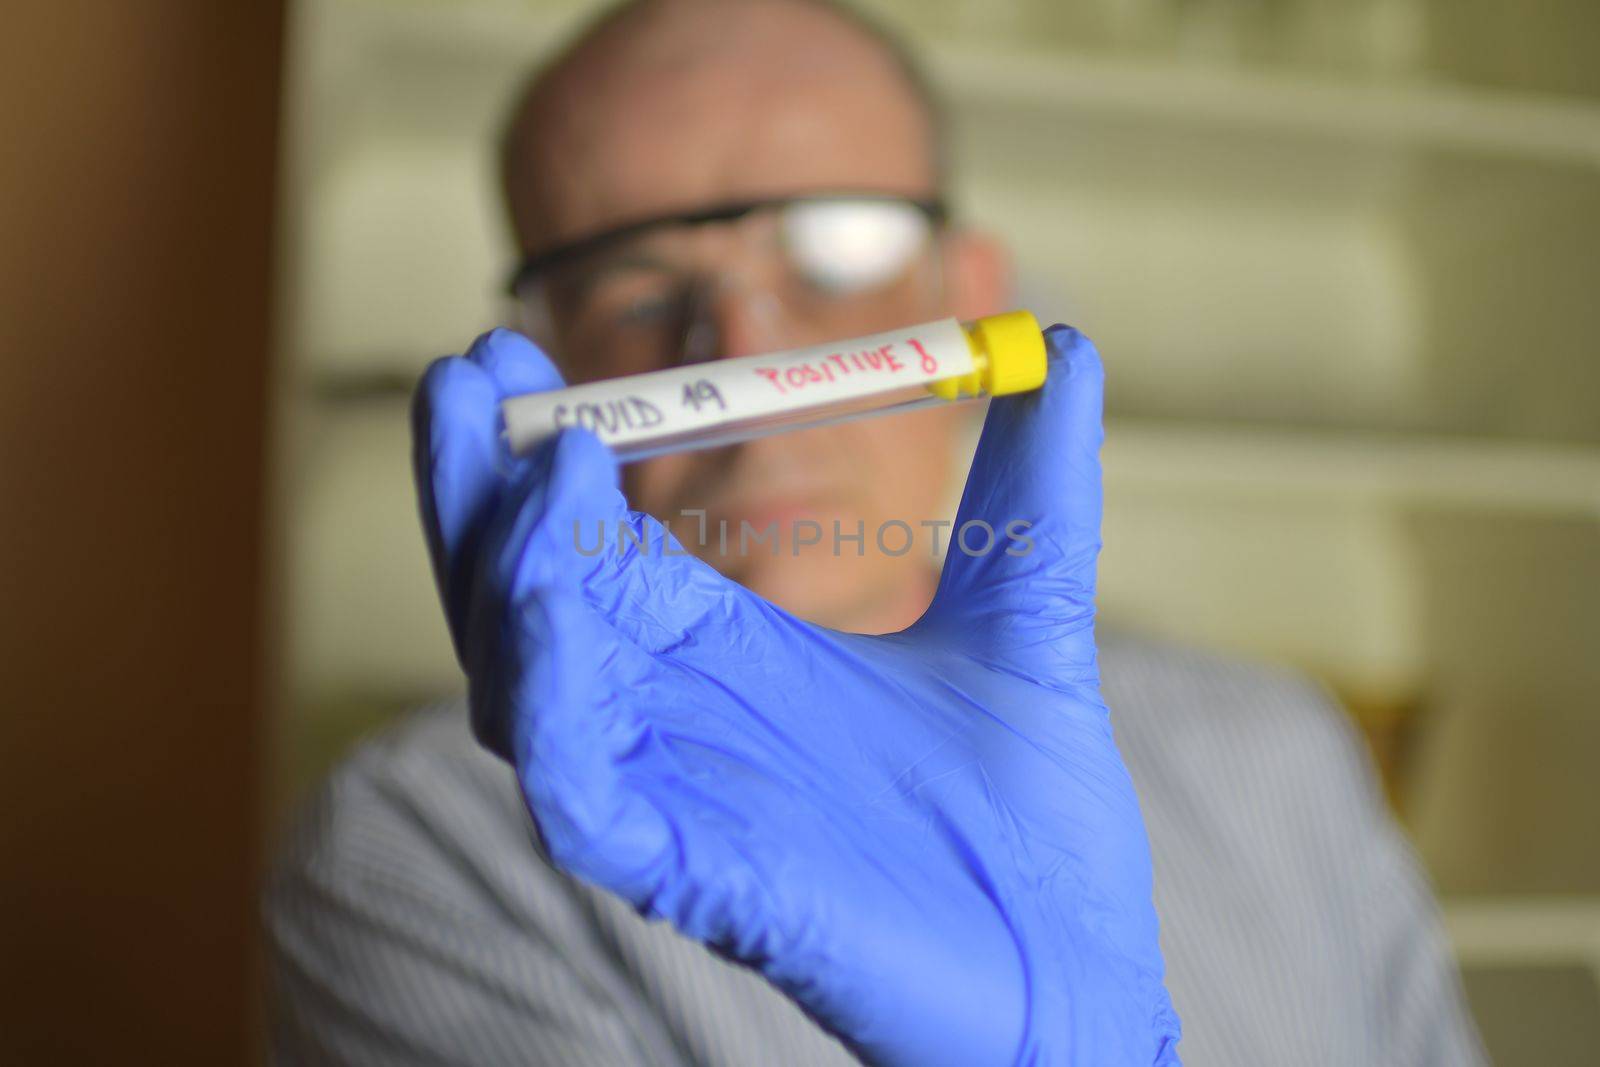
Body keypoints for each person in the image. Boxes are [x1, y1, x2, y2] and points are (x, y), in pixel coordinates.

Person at [265, 1, 1485, 1064]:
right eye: (633, 290)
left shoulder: (1277, 753)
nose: (746, 355)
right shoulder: (419, 847)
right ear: (543, 353)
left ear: (973, 302)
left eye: (836, 247)